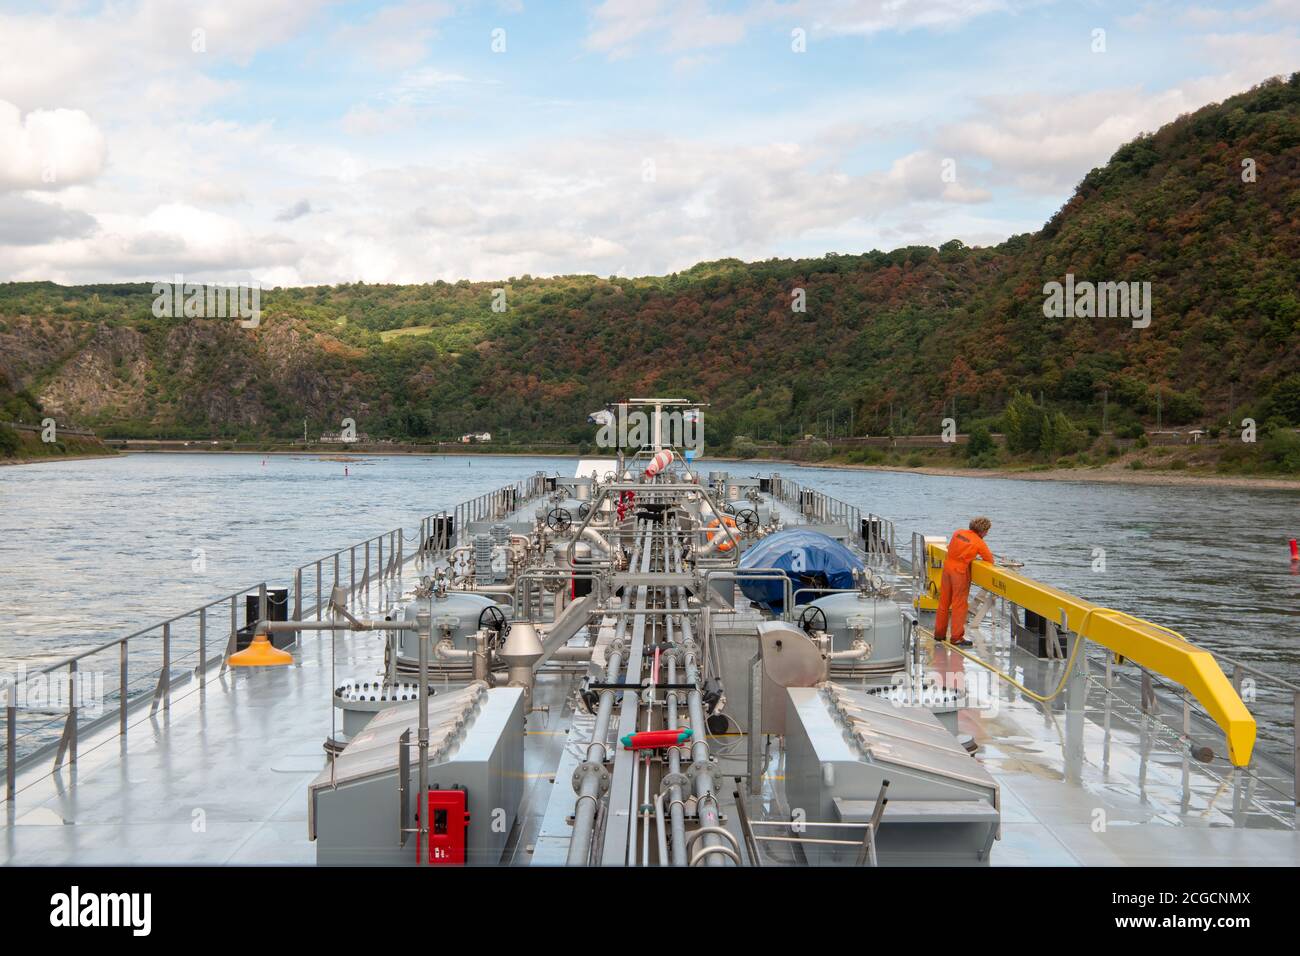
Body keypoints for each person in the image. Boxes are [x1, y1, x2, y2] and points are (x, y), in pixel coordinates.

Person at [934, 516, 993, 648]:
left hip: (947, 569)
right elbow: (989, 560)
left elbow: (950, 548)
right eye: (987, 531)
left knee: (944, 602)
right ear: (983, 531)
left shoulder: (958, 532)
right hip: (959, 573)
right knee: (959, 606)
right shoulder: (979, 542)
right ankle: (956, 638)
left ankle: (939, 633)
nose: (987, 534)